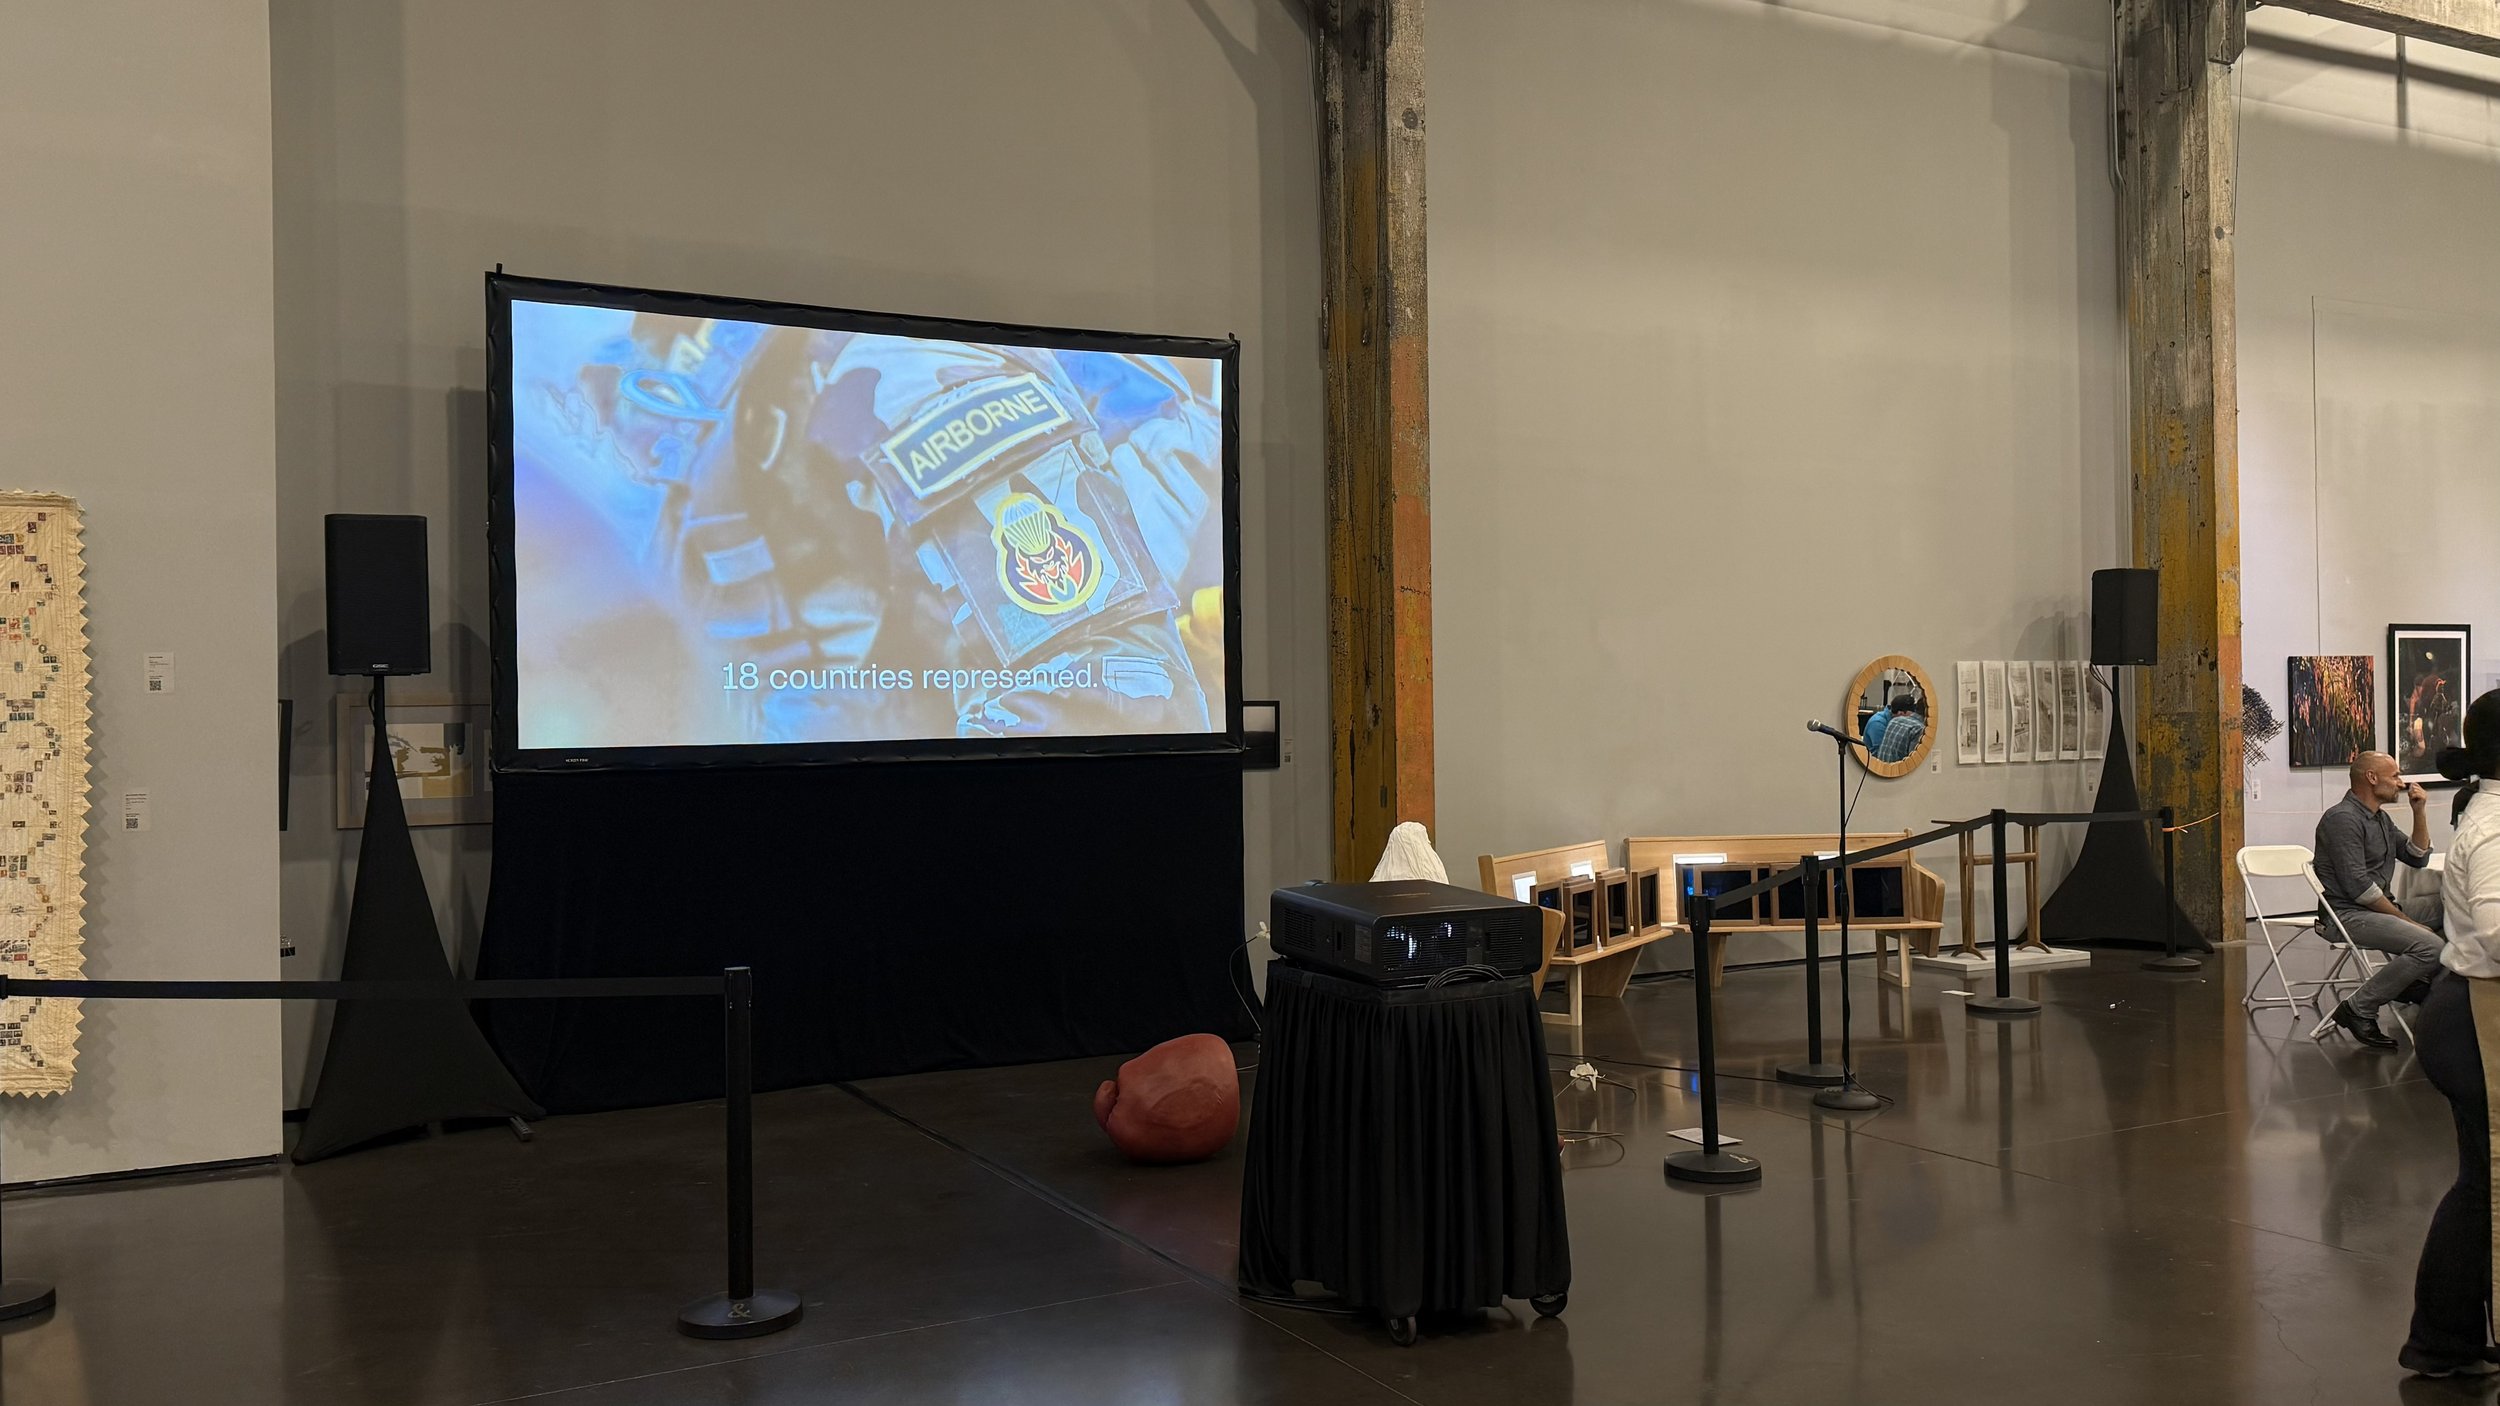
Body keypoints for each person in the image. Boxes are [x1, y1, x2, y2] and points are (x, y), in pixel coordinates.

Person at [2401, 689, 2500, 1378]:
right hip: (2475, 1019)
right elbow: (2497, 933)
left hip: (2471, 1011)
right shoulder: (2493, 830)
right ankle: (2441, 1340)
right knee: (2484, 1184)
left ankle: (2447, 1339)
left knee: (2484, 1180)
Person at [2317, 751, 2442, 1050]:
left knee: (2453, 906)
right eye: (2395, 776)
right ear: (2372, 778)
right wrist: (2408, 922)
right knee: (2431, 946)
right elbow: (2360, 889)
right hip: (2347, 915)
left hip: (2379, 909)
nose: (2401, 783)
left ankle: (2414, 980)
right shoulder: (2342, 819)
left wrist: (2419, 811)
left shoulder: (2380, 818)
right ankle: (2359, 1007)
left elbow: (2417, 857)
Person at [1873, 693, 1927, 764]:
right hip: (1898, 770)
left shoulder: (1894, 721)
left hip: (1881, 768)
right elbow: (1914, 763)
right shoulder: (1919, 729)